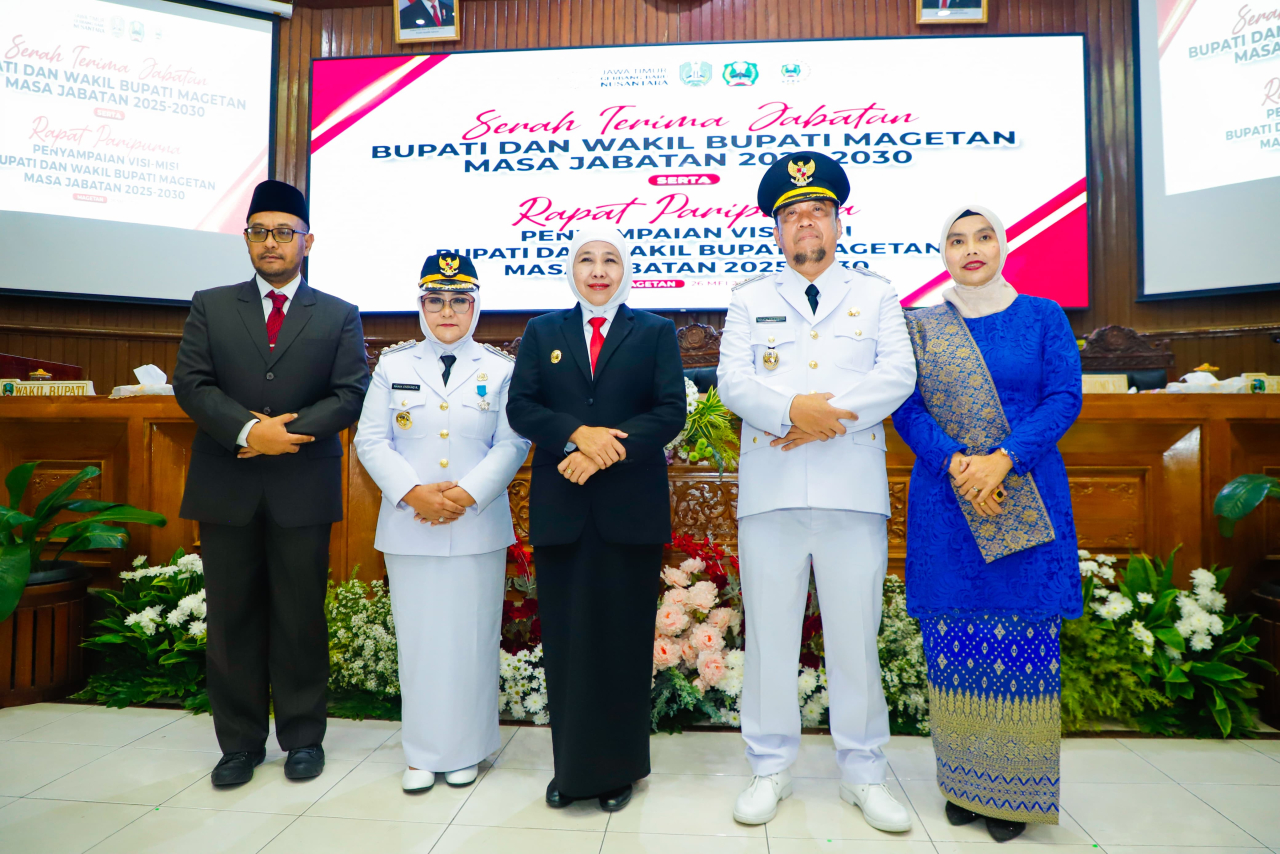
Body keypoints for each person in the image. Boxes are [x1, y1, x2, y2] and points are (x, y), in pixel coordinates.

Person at [717, 152, 917, 832]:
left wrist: (823, 419)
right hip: (771, 492)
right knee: (770, 637)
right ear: (775, 230)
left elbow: (897, 375)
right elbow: (735, 383)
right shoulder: (748, 299)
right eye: (792, 214)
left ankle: (864, 774)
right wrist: (792, 414)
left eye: (818, 212)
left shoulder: (877, 293)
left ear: (838, 222)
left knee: (855, 640)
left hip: (851, 492)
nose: (805, 223)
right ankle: (770, 768)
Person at [891, 206, 1083, 842]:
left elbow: (1064, 397)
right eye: (956, 240)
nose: (971, 249)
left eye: (983, 237)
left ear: (1003, 246)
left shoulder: (1043, 316)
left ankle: (1016, 792)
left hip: (1025, 490)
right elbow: (907, 407)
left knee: (1020, 639)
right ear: (941, 252)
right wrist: (957, 464)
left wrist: (1003, 460)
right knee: (956, 637)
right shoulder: (919, 326)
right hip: (948, 504)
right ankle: (965, 786)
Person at [173, 180, 370, 787]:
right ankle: (238, 745)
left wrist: (286, 434)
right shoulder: (211, 303)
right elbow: (193, 384)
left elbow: (350, 392)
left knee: (299, 616)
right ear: (247, 239)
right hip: (226, 485)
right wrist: (246, 432)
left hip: (300, 486)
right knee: (231, 620)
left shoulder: (338, 314)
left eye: (284, 232)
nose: (271, 243)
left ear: (306, 242)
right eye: (259, 232)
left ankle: (304, 739)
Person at [505, 228, 686, 813]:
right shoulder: (542, 331)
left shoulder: (654, 332)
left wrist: (606, 450)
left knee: (623, 643)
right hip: (563, 510)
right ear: (572, 270)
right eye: (587, 259)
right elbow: (522, 406)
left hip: (629, 510)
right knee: (567, 643)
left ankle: (620, 770)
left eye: (610, 259)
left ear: (625, 270)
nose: (598, 269)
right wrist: (575, 437)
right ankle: (573, 770)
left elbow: (668, 412)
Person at [354, 253, 530, 794]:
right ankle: (422, 753)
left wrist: (466, 494)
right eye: (436, 300)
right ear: (421, 305)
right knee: (421, 641)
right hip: (411, 524)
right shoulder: (394, 366)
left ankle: (467, 750)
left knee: (473, 639)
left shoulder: (500, 369)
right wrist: (413, 493)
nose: (447, 310)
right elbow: (370, 440)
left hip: (476, 524)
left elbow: (514, 441)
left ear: (476, 307)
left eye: (459, 300)